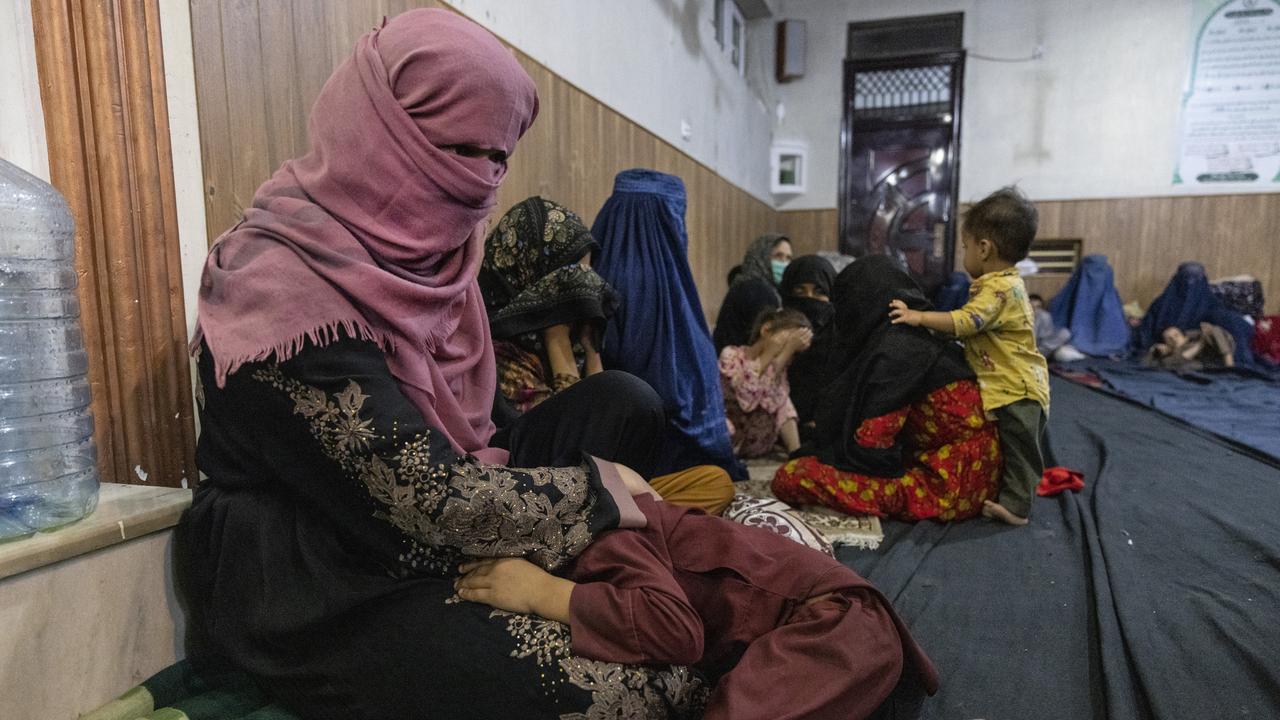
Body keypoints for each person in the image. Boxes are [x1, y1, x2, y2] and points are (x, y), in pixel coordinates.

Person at [179, 12, 718, 718]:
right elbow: (428, 495)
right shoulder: (281, 283)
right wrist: (595, 493)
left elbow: (488, 432)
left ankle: (531, 568)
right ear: (379, 126)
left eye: (497, 157)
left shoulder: (445, 264)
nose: (479, 180)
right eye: (456, 149)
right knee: (640, 685)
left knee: (625, 400)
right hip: (321, 565)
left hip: (440, 508)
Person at [453, 492, 940, 720]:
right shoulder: (625, 517)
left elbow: (676, 632)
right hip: (846, 653)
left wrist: (547, 593)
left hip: (841, 629)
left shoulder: (608, 536)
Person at [480, 196, 734, 514]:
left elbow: (605, 422)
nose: (584, 289)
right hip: (544, 492)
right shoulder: (497, 351)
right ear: (530, 269)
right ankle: (638, 523)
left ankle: (636, 520)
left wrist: (590, 349)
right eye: (568, 276)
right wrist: (556, 338)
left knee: (714, 482)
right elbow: (571, 440)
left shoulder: (577, 343)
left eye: (588, 273)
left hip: (605, 481)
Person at [772, 256, 1002, 522]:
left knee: (790, 477)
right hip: (981, 472)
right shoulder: (926, 335)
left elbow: (873, 449)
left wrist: (828, 456)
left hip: (947, 487)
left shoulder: (895, 354)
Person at [888, 187, 1049, 526]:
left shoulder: (1000, 289)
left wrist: (918, 318)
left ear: (985, 248)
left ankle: (1018, 507)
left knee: (1021, 450)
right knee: (1013, 444)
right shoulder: (1002, 284)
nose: (965, 253)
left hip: (1016, 389)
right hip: (1005, 383)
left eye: (965, 246)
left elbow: (965, 321)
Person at [592, 169, 745, 480]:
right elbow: (673, 389)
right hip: (659, 457)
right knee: (714, 481)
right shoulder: (656, 285)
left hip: (610, 449)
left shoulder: (598, 268)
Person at [719, 308, 811, 458]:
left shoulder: (777, 368)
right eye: (786, 343)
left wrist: (782, 358)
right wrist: (770, 354)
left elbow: (777, 405)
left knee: (783, 400)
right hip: (729, 437)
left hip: (756, 444)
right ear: (766, 330)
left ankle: (797, 454)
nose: (788, 354)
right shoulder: (731, 355)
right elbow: (746, 401)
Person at [1134, 262, 1255, 366]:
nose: (1189, 285)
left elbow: (1234, 330)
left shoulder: (1211, 305)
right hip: (1168, 358)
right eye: (1186, 280)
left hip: (1203, 357)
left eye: (1195, 280)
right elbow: (1145, 336)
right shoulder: (1161, 305)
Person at [778, 255, 836, 432]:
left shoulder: (843, 335)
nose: (809, 299)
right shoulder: (773, 332)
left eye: (819, 292)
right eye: (800, 292)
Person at [711, 234, 792, 351]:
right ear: (761, 256)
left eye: (788, 258)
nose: (784, 263)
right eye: (778, 256)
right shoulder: (757, 290)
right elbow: (766, 342)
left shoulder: (744, 282)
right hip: (741, 364)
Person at [1046, 254, 1129, 356]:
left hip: (1105, 348)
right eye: (1089, 275)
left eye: (1100, 272)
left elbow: (1118, 335)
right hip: (1076, 347)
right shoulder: (1071, 295)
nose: (1094, 278)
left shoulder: (1110, 299)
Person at [1030, 293, 1084, 361]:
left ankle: (1038, 354)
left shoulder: (1045, 316)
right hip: (1027, 349)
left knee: (1065, 333)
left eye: (1037, 307)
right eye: (1032, 307)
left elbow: (1047, 337)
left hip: (1042, 348)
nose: (1034, 310)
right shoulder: (1020, 317)